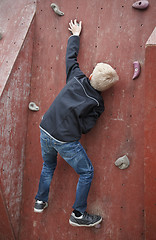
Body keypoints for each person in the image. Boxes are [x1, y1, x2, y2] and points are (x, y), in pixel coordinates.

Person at [34, 19, 119, 227]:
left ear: (90, 75)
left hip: (45, 129)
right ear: (104, 90)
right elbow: (87, 127)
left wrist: (75, 35)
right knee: (87, 172)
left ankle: (40, 201)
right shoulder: (96, 102)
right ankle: (78, 215)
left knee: (48, 165)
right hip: (65, 140)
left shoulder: (76, 77)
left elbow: (70, 57)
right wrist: (81, 122)